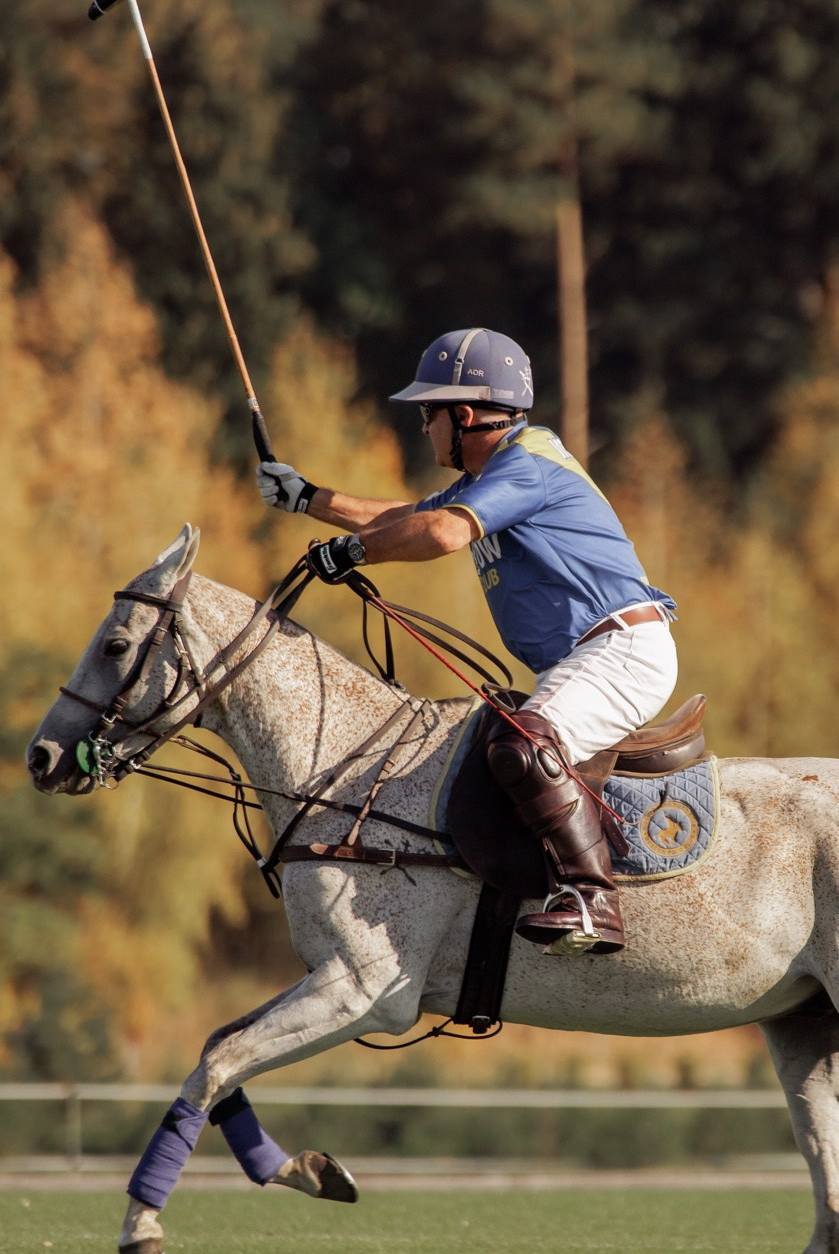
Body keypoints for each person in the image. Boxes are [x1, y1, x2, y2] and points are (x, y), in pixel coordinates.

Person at [254, 327, 675, 956]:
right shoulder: (501, 469)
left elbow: (445, 534)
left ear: (465, 415)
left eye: (430, 414)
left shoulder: (527, 464)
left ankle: (592, 900)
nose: (425, 428)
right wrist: (308, 498)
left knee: (523, 744)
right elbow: (408, 517)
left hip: (621, 650)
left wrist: (353, 553)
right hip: (596, 652)